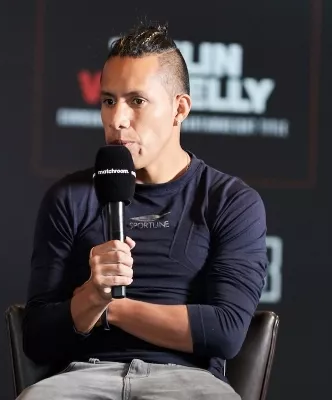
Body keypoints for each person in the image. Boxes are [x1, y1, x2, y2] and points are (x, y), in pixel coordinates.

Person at [18, 21, 268, 400]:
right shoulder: (68, 198)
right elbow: (36, 337)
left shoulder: (230, 201)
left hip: (188, 380)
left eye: (136, 101)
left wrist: (109, 306)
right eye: (108, 101)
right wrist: (92, 293)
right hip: (84, 376)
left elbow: (225, 331)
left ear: (179, 109)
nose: (117, 120)